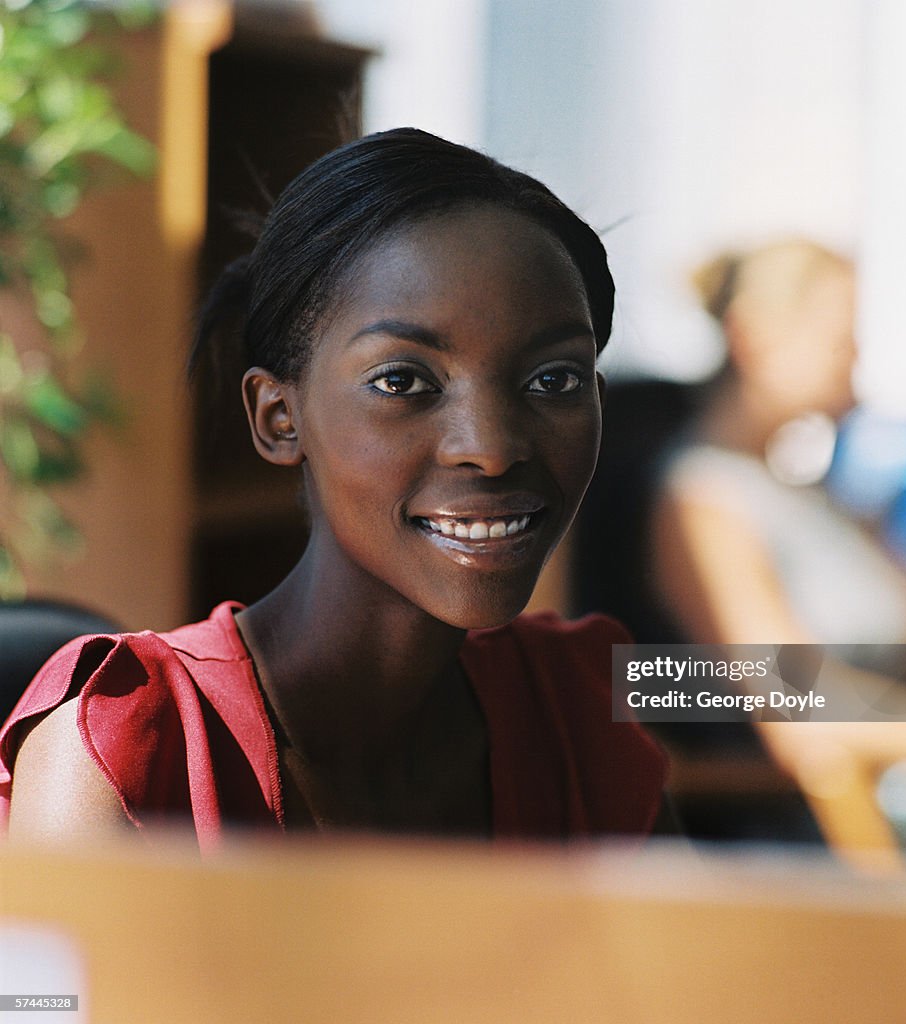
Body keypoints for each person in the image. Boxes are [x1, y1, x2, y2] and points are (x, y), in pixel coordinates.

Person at [0, 128, 668, 850]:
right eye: (402, 381)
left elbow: (800, 687)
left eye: (553, 380)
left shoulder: (577, 686)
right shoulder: (118, 749)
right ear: (279, 418)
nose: (493, 448)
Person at [652, 240, 906, 656]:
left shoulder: (807, 488)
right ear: (752, 339)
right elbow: (788, 703)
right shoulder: (703, 496)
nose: (857, 358)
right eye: (841, 339)